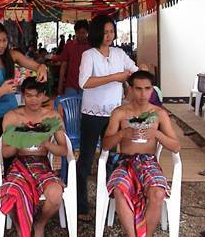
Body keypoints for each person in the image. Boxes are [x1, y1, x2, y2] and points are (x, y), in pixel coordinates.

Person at [0, 21, 47, 216]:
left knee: (14, 158)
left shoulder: (11, 56)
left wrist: (42, 68)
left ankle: (14, 196)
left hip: (12, 116)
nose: (2, 44)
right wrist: (3, 90)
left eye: (4, 40)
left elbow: (34, 64)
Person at [103, 70, 180, 237]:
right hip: (124, 162)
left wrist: (157, 134)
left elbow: (176, 146)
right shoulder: (120, 113)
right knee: (118, 189)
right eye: (138, 88)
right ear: (130, 89)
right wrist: (123, 134)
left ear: (153, 89)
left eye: (147, 88)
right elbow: (106, 145)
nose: (143, 94)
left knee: (158, 192)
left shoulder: (159, 114)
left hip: (149, 162)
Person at [77, 15, 138, 221]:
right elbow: (84, 82)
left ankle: (111, 203)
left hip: (114, 114)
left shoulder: (120, 54)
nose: (109, 36)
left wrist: (135, 80)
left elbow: (134, 72)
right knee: (85, 160)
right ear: (96, 33)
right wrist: (115, 77)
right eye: (105, 32)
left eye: (111, 31)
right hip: (92, 113)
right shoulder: (89, 55)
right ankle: (81, 206)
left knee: (111, 158)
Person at [0, 77, 67, 237]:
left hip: (42, 165)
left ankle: (39, 223)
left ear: (44, 96)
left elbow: (63, 150)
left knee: (56, 195)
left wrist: (47, 144)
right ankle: (21, 227)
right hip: (19, 164)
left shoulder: (52, 116)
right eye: (29, 96)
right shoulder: (12, 116)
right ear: (23, 95)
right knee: (10, 192)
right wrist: (21, 140)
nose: (33, 100)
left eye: (37, 95)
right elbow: (5, 153)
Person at [56, 20, 90, 95]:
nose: (80, 35)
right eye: (78, 33)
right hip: (71, 84)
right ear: (75, 32)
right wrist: (60, 85)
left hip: (87, 85)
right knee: (70, 106)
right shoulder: (69, 45)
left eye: (83, 33)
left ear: (87, 32)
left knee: (85, 106)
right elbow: (63, 66)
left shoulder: (91, 46)